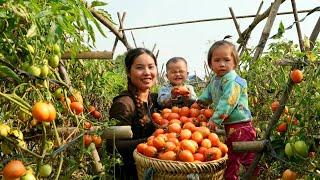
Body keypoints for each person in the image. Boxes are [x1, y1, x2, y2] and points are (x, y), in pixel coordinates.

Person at [195, 40, 258, 180]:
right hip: (230, 125)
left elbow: (228, 101)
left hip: (242, 125)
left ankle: (256, 175)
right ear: (210, 64)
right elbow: (208, 93)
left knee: (248, 155)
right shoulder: (216, 79)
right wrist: (200, 102)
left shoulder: (233, 80)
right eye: (217, 60)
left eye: (226, 60)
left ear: (234, 63)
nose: (222, 64)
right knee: (231, 154)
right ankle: (231, 177)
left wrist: (215, 119)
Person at [107, 48, 159, 180]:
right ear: (128, 72)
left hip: (153, 172)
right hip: (130, 173)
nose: (147, 72)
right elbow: (112, 145)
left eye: (151, 67)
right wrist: (150, 141)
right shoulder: (123, 105)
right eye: (140, 68)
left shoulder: (155, 100)